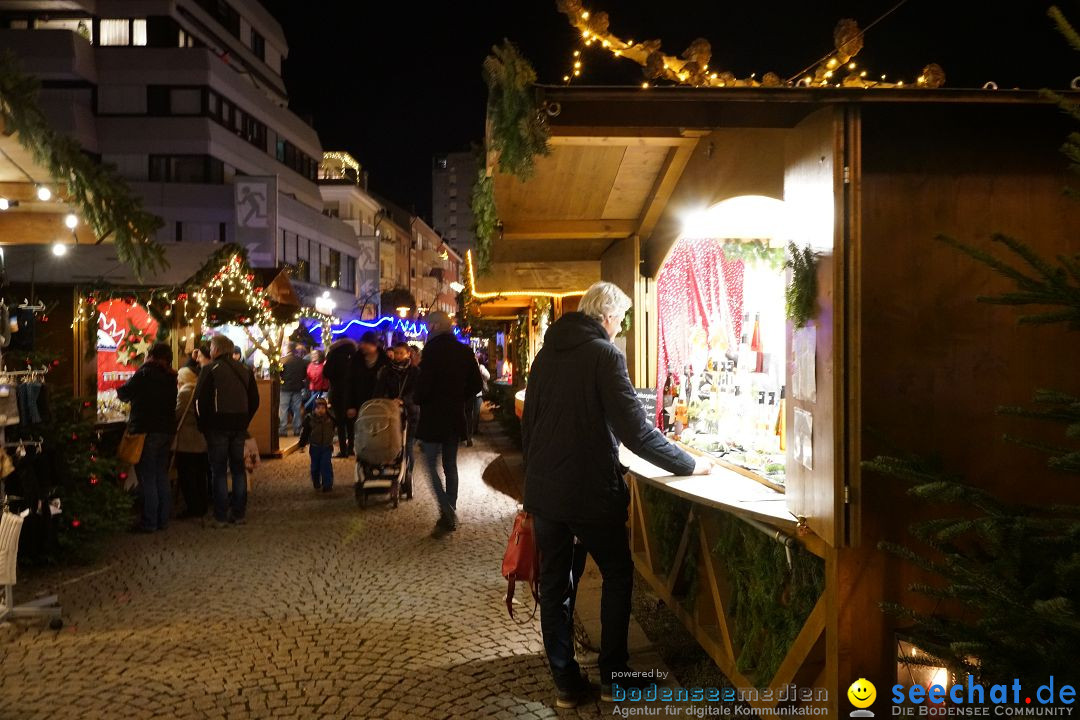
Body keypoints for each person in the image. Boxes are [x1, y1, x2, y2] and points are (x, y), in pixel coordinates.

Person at [521, 281, 714, 708]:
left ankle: (566, 684)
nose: (622, 327)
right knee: (617, 573)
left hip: (547, 494)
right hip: (590, 491)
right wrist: (688, 463)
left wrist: (533, 488)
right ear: (607, 317)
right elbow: (636, 430)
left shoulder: (545, 356)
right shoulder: (605, 355)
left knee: (555, 585)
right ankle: (613, 676)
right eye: (622, 319)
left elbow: (529, 428)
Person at [414, 311, 482, 536]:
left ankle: (447, 510)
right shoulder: (464, 351)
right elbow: (476, 384)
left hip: (433, 417)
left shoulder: (431, 352)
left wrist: (419, 398)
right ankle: (449, 511)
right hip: (454, 416)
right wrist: (460, 398)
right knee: (450, 466)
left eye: (428, 326)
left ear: (434, 326)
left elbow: (422, 388)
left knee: (430, 465)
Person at [195, 334, 260, 528]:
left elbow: (200, 401)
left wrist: (204, 425)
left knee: (219, 471)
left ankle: (221, 516)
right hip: (239, 426)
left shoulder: (209, 369)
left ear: (216, 350)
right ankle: (239, 514)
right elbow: (255, 400)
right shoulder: (245, 370)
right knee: (239, 470)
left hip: (217, 427)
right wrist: (244, 420)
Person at [116, 342, 178, 533]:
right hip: (166, 431)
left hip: (146, 431)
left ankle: (149, 522)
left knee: (147, 477)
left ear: (151, 355)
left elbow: (123, 393)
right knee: (161, 475)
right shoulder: (171, 378)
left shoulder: (144, 374)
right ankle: (162, 520)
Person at [373, 340, 421, 489]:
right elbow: (379, 390)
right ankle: (387, 471)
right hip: (390, 412)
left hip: (410, 412)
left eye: (401, 353)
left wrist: (404, 400)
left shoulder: (415, 372)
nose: (398, 356)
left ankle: (408, 474)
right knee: (389, 442)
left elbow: (417, 391)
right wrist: (388, 400)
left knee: (407, 445)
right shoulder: (387, 371)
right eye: (396, 353)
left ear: (408, 354)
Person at [174, 366, 209, 518]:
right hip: (201, 439)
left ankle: (193, 507)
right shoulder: (200, 390)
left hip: (187, 441)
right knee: (200, 475)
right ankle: (202, 506)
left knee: (187, 476)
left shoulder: (184, 393)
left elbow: (178, 414)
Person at [322, 338, 356, 457]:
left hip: (337, 391)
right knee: (351, 421)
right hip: (352, 392)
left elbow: (326, 372)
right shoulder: (355, 354)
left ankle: (343, 450)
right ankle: (351, 448)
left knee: (340, 422)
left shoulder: (334, 354)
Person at [347, 330, 388, 425]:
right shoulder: (356, 360)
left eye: (365, 343)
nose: (362, 346)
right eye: (362, 343)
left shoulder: (385, 361)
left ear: (374, 344)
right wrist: (350, 405)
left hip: (379, 405)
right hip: (358, 404)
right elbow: (349, 383)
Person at [298, 397, 336, 493]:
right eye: (318, 408)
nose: (320, 410)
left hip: (327, 447)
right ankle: (316, 481)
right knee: (315, 467)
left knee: (326, 464)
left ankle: (327, 484)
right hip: (315, 447)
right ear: (314, 409)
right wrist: (302, 444)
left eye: (323, 408)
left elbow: (335, 427)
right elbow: (305, 433)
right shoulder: (310, 419)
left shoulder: (330, 418)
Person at [278, 342, 308, 437]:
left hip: (285, 388)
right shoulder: (302, 361)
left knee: (283, 409)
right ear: (295, 349)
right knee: (297, 409)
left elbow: (279, 374)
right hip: (297, 387)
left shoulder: (282, 361)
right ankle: (297, 429)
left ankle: (282, 429)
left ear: (287, 349)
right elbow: (304, 374)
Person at [465, 352, 490, 446]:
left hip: (472, 394)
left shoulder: (478, 368)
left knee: (472, 414)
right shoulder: (472, 369)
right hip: (471, 394)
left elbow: (486, 377)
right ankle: (469, 435)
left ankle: (470, 433)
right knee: (470, 414)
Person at [304, 348, 330, 412]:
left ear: (320, 356)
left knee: (316, 404)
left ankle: (308, 412)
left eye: (315, 354)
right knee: (313, 404)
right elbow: (308, 375)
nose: (313, 356)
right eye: (312, 354)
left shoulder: (324, 365)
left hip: (322, 389)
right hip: (313, 388)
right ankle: (312, 414)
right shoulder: (310, 365)